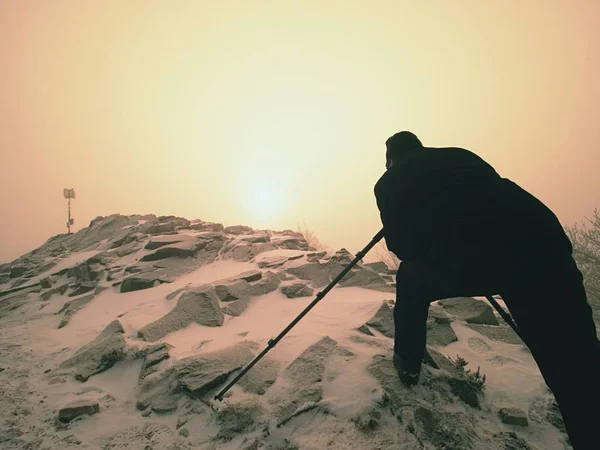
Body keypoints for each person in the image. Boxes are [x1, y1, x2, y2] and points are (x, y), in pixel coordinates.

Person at [374, 131, 600, 449]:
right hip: (544, 245)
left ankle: (408, 363)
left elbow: (403, 246)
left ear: (390, 160)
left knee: (410, 281)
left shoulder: (390, 181)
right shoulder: (460, 155)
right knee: (576, 360)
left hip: (479, 260)